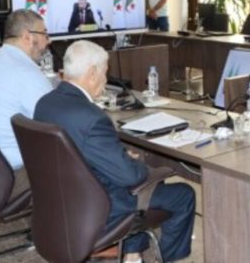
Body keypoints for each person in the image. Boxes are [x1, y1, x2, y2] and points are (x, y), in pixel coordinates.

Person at [34, 41, 195, 262]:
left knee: (137, 181)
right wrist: (139, 166)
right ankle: (166, 258)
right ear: (92, 73)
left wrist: (118, 157)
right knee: (182, 194)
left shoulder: (44, 104)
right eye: (104, 72)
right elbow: (130, 177)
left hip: (59, 203)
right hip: (99, 206)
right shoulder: (92, 117)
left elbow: (78, 150)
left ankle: (132, 254)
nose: (105, 80)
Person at [0, 9, 53, 173]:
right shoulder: (26, 72)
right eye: (44, 34)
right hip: (15, 170)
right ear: (27, 37)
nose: (48, 41)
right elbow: (55, 122)